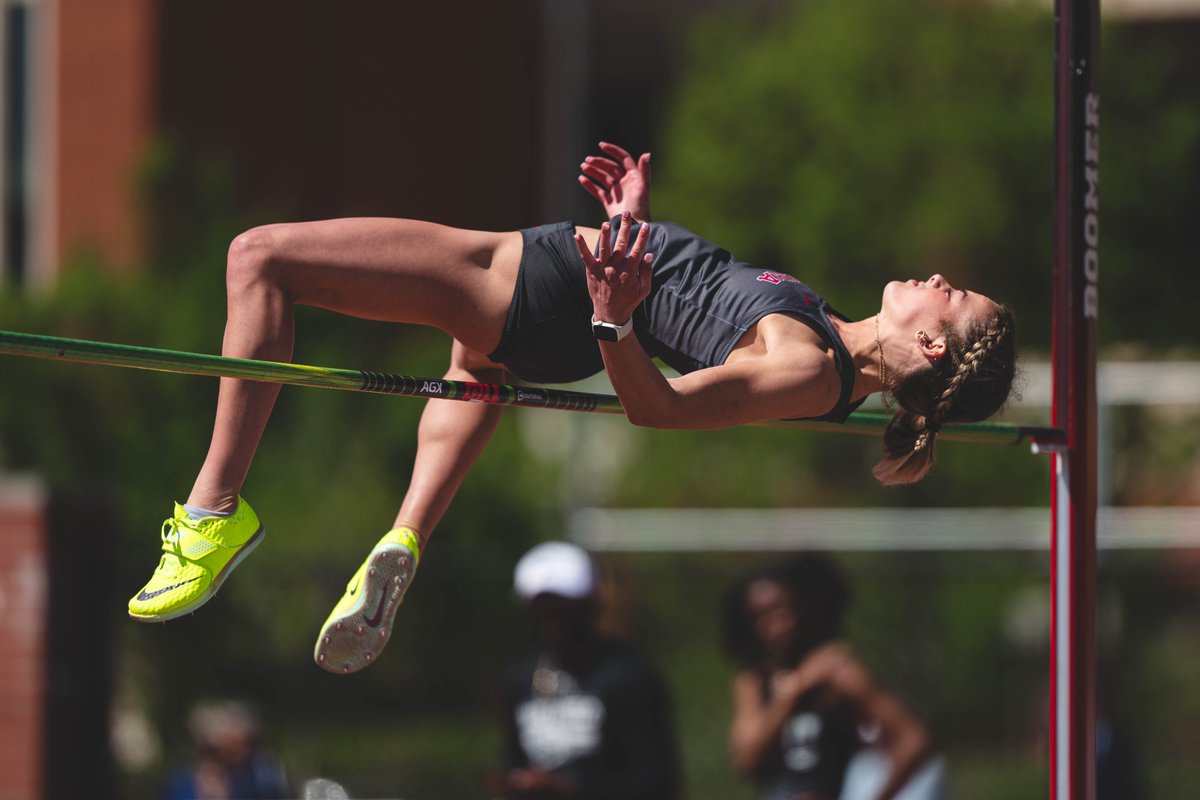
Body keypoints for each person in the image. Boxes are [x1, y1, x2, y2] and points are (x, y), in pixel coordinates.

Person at [126, 142, 1017, 676]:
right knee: (471, 365)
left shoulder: (808, 369)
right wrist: (634, 228)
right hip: (570, 300)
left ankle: (213, 514)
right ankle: (404, 537)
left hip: (552, 289)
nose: (939, 279)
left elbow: (658, 412)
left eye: (954, 295)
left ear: (933, 348)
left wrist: (611, 315)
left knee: (260, 260)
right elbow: (694, 304)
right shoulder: (825, 341)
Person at [722, 554, 943, 800]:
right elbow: (747, 761)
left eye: (781, 609)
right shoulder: (753, 681)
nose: (776, 625)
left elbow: (913, 740)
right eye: (760, 617)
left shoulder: (836, 670)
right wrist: (794, 692)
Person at [488, 541, 681, 800]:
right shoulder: (522, 679)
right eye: (541, 608)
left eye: (561, 607)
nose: (551, 619)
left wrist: (568, 787)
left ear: (591, 601)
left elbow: (657, 780)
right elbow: (514, 757)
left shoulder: (628, 676)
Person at [162, 700, 290, 800]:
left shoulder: (260, 776)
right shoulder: (183, 785)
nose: (242, 752)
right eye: (232, 745)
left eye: (248, 744)